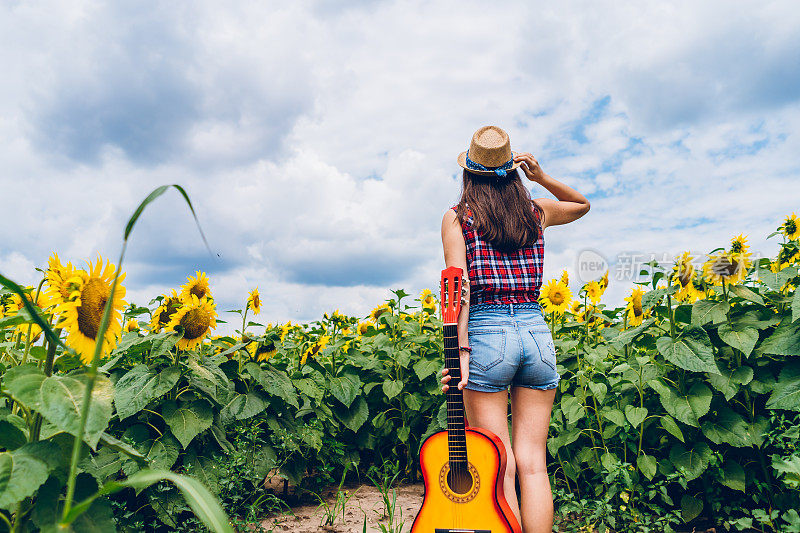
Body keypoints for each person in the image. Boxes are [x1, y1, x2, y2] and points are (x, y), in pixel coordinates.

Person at [440, 125, 590, 532]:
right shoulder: (536, 212)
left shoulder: (457, 219)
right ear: (512, 171)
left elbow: (459, 288)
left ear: (469, 173)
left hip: (488, 337)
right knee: (534, 465)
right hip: (536, 334)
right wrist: (540, 177)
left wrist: (461, 354)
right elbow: (580, 205)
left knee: (497, 464)